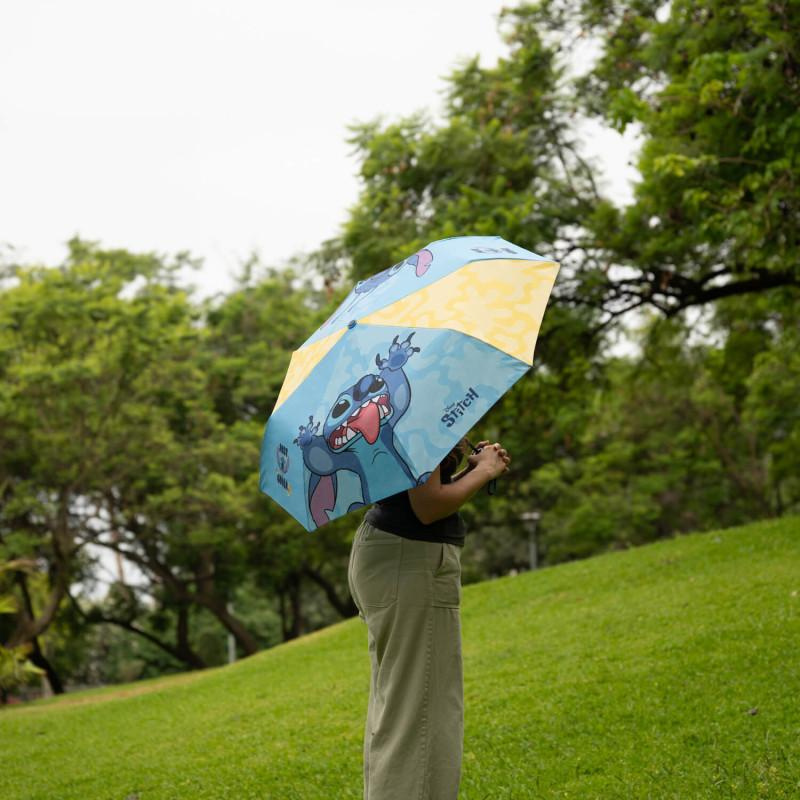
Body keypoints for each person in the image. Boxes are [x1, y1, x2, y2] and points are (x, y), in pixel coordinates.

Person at [347, 438, 511, 800]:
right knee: (419, 713)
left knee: (405, 706)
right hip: (409, 560)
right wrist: (484, 471)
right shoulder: (416, 416)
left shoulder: (402, 412)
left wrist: (469, 472)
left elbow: (421, 490)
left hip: (394, 554)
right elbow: (428, 506)